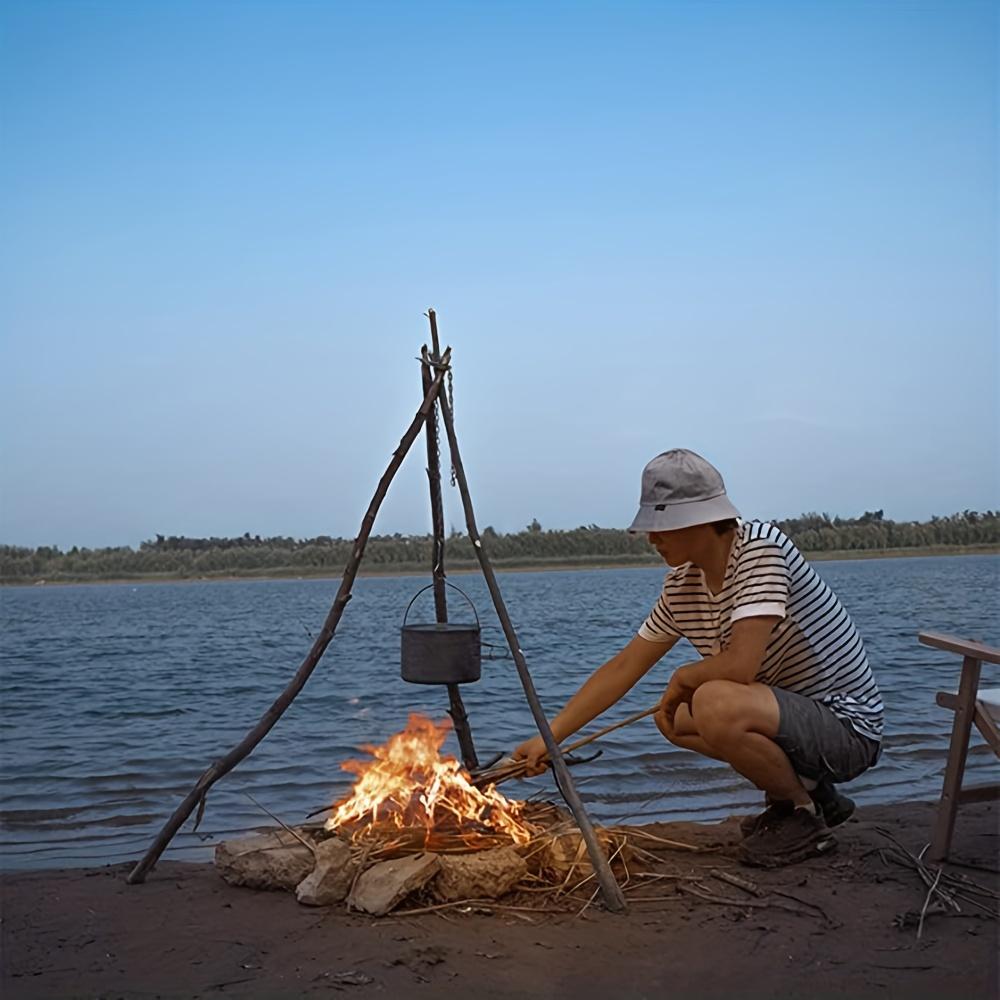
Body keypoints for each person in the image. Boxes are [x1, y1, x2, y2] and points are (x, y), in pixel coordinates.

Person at [512, 448, 883, 867]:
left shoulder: (760, 549)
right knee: (672, 717)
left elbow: (740, 665)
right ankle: (809, 797)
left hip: (847, 729)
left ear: (703, 520)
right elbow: (625, 665)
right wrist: (551, 736)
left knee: (709, 701)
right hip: (791, 719)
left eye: (663, 526)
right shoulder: (682, 585)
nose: (652, 538)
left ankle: (801, 818)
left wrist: (684, 677)